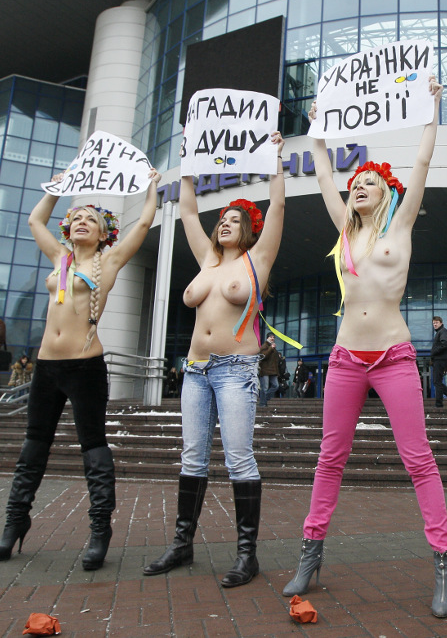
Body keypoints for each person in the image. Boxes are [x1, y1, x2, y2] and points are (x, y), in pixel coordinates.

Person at [283, 79, 447, 619]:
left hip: (394, 357)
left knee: (419, 459)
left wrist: (432, 111)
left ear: (386, 193)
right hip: (344, 359)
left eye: (367, 182)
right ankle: (311, 554)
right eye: (354, 182)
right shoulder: (343, 228)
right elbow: (323, 170)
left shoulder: (400, 228)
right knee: (329, 458)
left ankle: (445, 561)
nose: (357, 186)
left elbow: (424, 165)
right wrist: (316, 128)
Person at [0, 166, 161, 570]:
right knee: (33, 448)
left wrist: (151, 184)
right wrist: (58, 188)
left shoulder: (110, 261)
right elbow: (35, 219)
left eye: (91, 220)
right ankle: (15, 525)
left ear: (103, 233)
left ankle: (100, 531)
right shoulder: (59, 256)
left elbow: (147, 220)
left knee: (93, 448)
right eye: (76, 218)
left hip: (85, 367)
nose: (81, 222)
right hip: (46, 368)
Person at [143, 132, 286, 589]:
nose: (224, 223)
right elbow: (187, 209)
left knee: (239, 460)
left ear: (248, 228)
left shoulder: (256, 261)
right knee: (192, 457)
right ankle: (183, 544)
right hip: (195, 371)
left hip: (235, 371)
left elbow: (279, 209)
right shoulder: (206, 259)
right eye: (222, 218)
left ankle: (248, 555)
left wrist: (276, 161)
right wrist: (187, 163)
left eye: (233, 219)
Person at [430, 316, 447, 408]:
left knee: (437, 382)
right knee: (437, 382)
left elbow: (445, 344)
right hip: (439, 359)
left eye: (436, 322)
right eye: (433, 323)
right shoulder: (440, 332)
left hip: (440, 359)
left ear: (441, 323)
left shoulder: (443, 332)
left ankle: (440, 403)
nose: (434, 324)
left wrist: (434, 352)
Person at [257, 334, 281, 407]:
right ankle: (262, 403)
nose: (272, 338)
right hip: (265, 370)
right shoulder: (265, 346)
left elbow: (275, 361)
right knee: (264, 388)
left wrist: (277, 372)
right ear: (267, 338)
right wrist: (271, 348)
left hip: (273, 371)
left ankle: (265, 397)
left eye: (273, 337)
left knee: (276, 385)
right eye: (271, 337)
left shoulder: (273, 347)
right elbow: (263, 356)